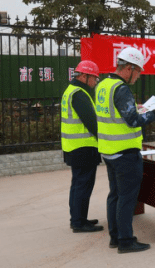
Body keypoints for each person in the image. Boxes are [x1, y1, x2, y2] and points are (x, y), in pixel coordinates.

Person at [96, 47, 155, 253]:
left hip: (109, 151)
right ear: (128, 68)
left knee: (115, 195)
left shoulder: (103, 84)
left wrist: (137, 106)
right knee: (126, 198)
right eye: (138, 71)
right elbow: (133, 121)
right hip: (125, 153)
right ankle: (126, 241)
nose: (139, 75)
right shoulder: (121, 88)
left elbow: (115, 111)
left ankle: (115, 238)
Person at [61, 60, 103, 233]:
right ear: (84, 76)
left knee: (77, 184)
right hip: (83, 148)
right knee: (83, 185)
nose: (95, 82)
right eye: (94, 78)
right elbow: (92, 123)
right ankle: (79, 223)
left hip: (74, 147)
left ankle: (77, 218)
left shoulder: (72, 91)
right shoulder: (79, 94)